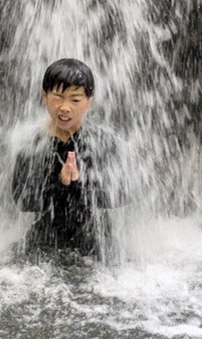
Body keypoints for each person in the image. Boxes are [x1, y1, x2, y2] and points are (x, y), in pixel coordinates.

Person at [11, 58, 126, 263]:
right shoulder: (32, 144)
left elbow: (121, 195)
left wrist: (81, 182)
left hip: (96, 239)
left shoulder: (103, 141)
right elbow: (23, 200)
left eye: (75, 100)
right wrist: (61, 183)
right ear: (44, 97)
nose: (65, 107)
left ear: (88, 101)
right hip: (48, 237)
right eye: (58, 98)